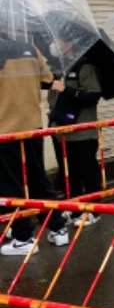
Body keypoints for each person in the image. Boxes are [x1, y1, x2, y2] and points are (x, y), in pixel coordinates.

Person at [0, 35, 70, 255]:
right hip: (32, 126)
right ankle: (58, 228)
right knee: (38, 178)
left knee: (10, 185)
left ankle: (24, 238)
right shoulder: (29, 48)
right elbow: (48, 79)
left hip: (4, 130)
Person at [47, 33, 102, 227]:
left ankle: (94, 210)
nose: (53, 44)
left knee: (87, 171)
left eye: (57, 40)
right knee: (69, 175)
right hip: (61, 133)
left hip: (82, 133)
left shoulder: (84, 67)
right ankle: (74, 208)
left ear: (69, 43)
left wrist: (67, 89)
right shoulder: (56, 69)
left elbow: (93, 96)